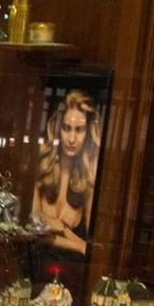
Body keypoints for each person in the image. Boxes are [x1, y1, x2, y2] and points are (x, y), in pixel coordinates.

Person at [33, 90, 101, 257]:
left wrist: (59, 229)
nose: (71, 138)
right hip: (35, 264)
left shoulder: (89, 179)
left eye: (79, 130)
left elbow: (92, 245)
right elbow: (33, 230)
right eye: (66, 128)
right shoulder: (43, 167)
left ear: (88, 133)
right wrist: (78, 245)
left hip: (71, 270)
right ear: (58, 129)